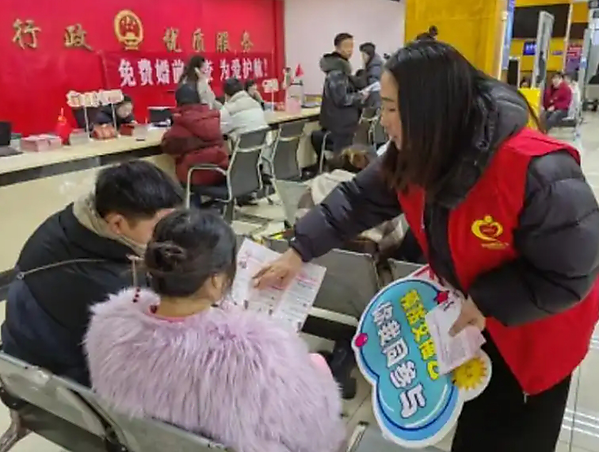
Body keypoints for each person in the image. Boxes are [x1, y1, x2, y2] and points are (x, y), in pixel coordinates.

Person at [254, 40, 599, 452]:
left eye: (391, 108)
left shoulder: (538, 171)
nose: (383, 122)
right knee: (474, 430)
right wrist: (299, 250)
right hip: (471, 322)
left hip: (532, 333)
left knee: (514, 435)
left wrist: (488, 300)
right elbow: (356, 200)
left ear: (431, 109)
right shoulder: (417, 151)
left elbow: (571, 273)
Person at [85, 209, 345, 452]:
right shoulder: (258, 354)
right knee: (316, 363)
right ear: (216, 280)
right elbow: (320, 437)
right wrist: (315, 367)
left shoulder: (108, 327)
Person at [1, 161, 183, 386]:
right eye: (159, 228)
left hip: (27, 350)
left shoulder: (78, 219)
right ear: (117, 223)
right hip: (56, 384)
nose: (168, 236)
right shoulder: (106, 286)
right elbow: (145, 358)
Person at [161, 84, 228, 189]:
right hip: (220, 171)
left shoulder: (182, 121)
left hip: (195, 175)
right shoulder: (211, 117)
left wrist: (168, 132)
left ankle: (190, 199)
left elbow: (168, 146)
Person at [311, 32, 366, 160]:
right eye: (346, 46)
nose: (350, 50)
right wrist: (361, 96)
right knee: (342, 157)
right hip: (340, 124)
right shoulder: (336, 73)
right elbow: (341, 99)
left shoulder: (343, 70)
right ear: (337, 48)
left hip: (345, 123)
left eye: (352, 46)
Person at [359, 42, 383, 109]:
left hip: (374, 102)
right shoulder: (373, 65)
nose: (362, 58)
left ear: (369, 55)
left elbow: (374, 87)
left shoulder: (375, 67)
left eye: (364, 55)